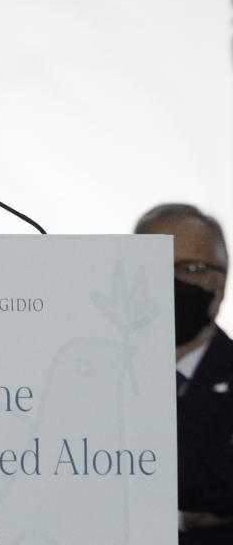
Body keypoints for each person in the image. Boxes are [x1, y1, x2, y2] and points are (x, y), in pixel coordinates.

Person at [135, 203, 233, 543]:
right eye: (156, 264)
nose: (172, 281)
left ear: (219, 286)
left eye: (190, 268)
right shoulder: (92, 377)